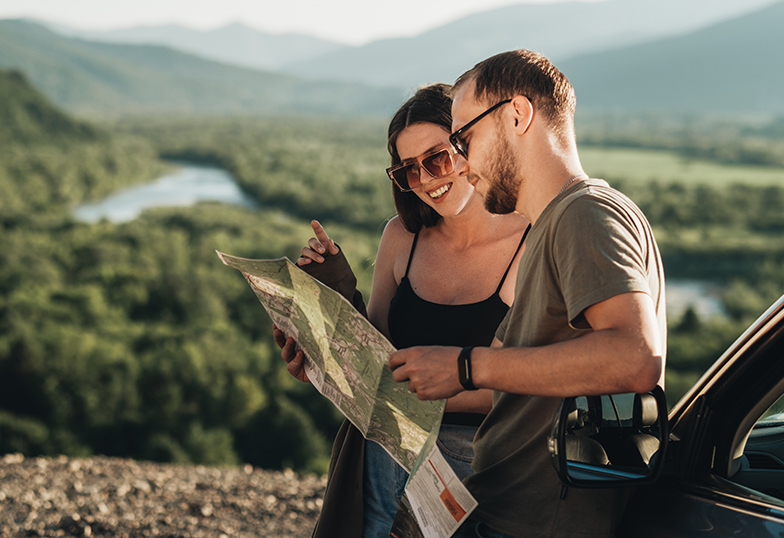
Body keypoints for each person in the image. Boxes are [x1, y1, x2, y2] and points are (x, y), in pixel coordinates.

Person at [387, 50, 667, 538]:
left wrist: (464, 366)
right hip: (502, 510)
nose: (462, 162)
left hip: (537, 523)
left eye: (464, 138)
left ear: (517, 115)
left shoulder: (585, 215)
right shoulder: (552, 224)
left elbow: (636, 357)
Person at [273, 83, 530, 538]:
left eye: (438, 157)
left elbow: (520, 388)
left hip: (480, 449)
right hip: (394, 436)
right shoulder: (401, 237)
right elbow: (378, 354)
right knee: (382, 444)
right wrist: (322, 335)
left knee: (382, 447)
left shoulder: (529, 243)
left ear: (469, 144)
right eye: (409, 170)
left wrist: (411, 397)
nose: (428, 178)